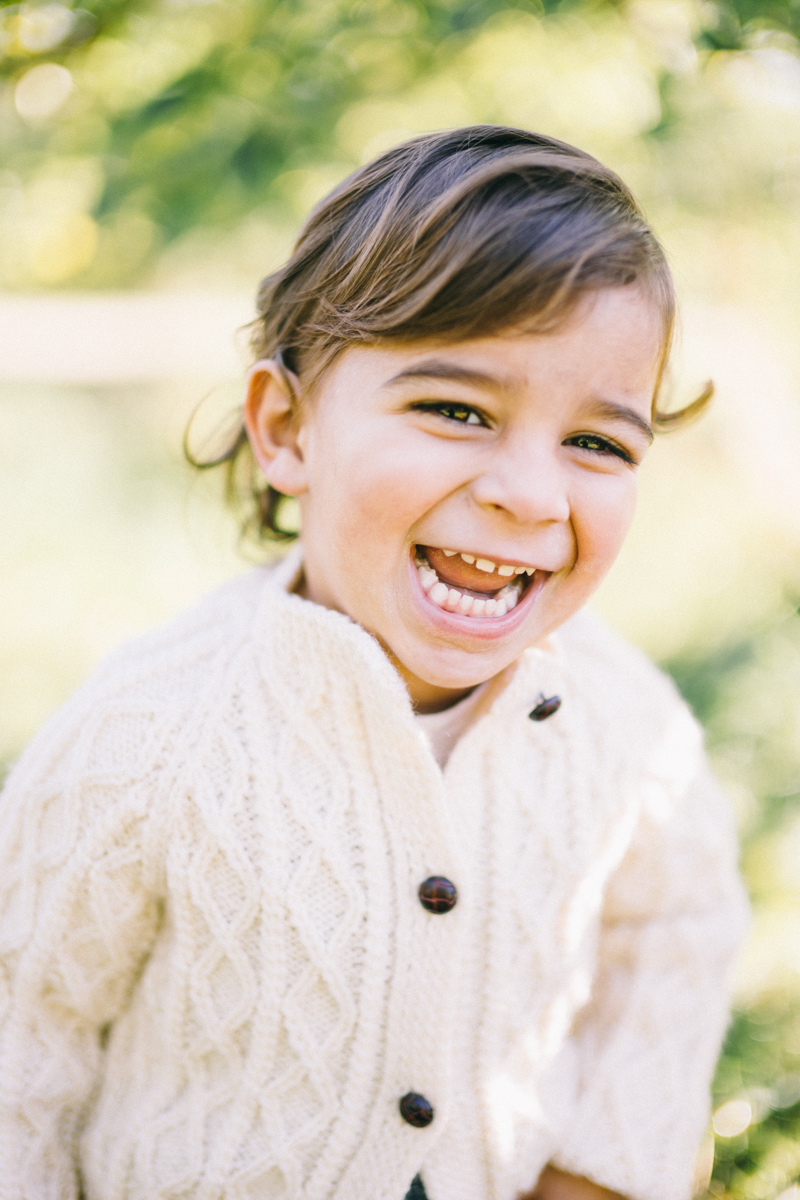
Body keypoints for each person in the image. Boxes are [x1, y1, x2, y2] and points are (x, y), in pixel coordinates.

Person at [0, 126, 747, 1200]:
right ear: (287, 428)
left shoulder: (627, 730)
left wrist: (597, 1176)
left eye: (597, 444)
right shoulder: (144, 738)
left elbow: (677, 933)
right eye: (456, 411)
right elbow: (24, 1045)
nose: (530, 495)